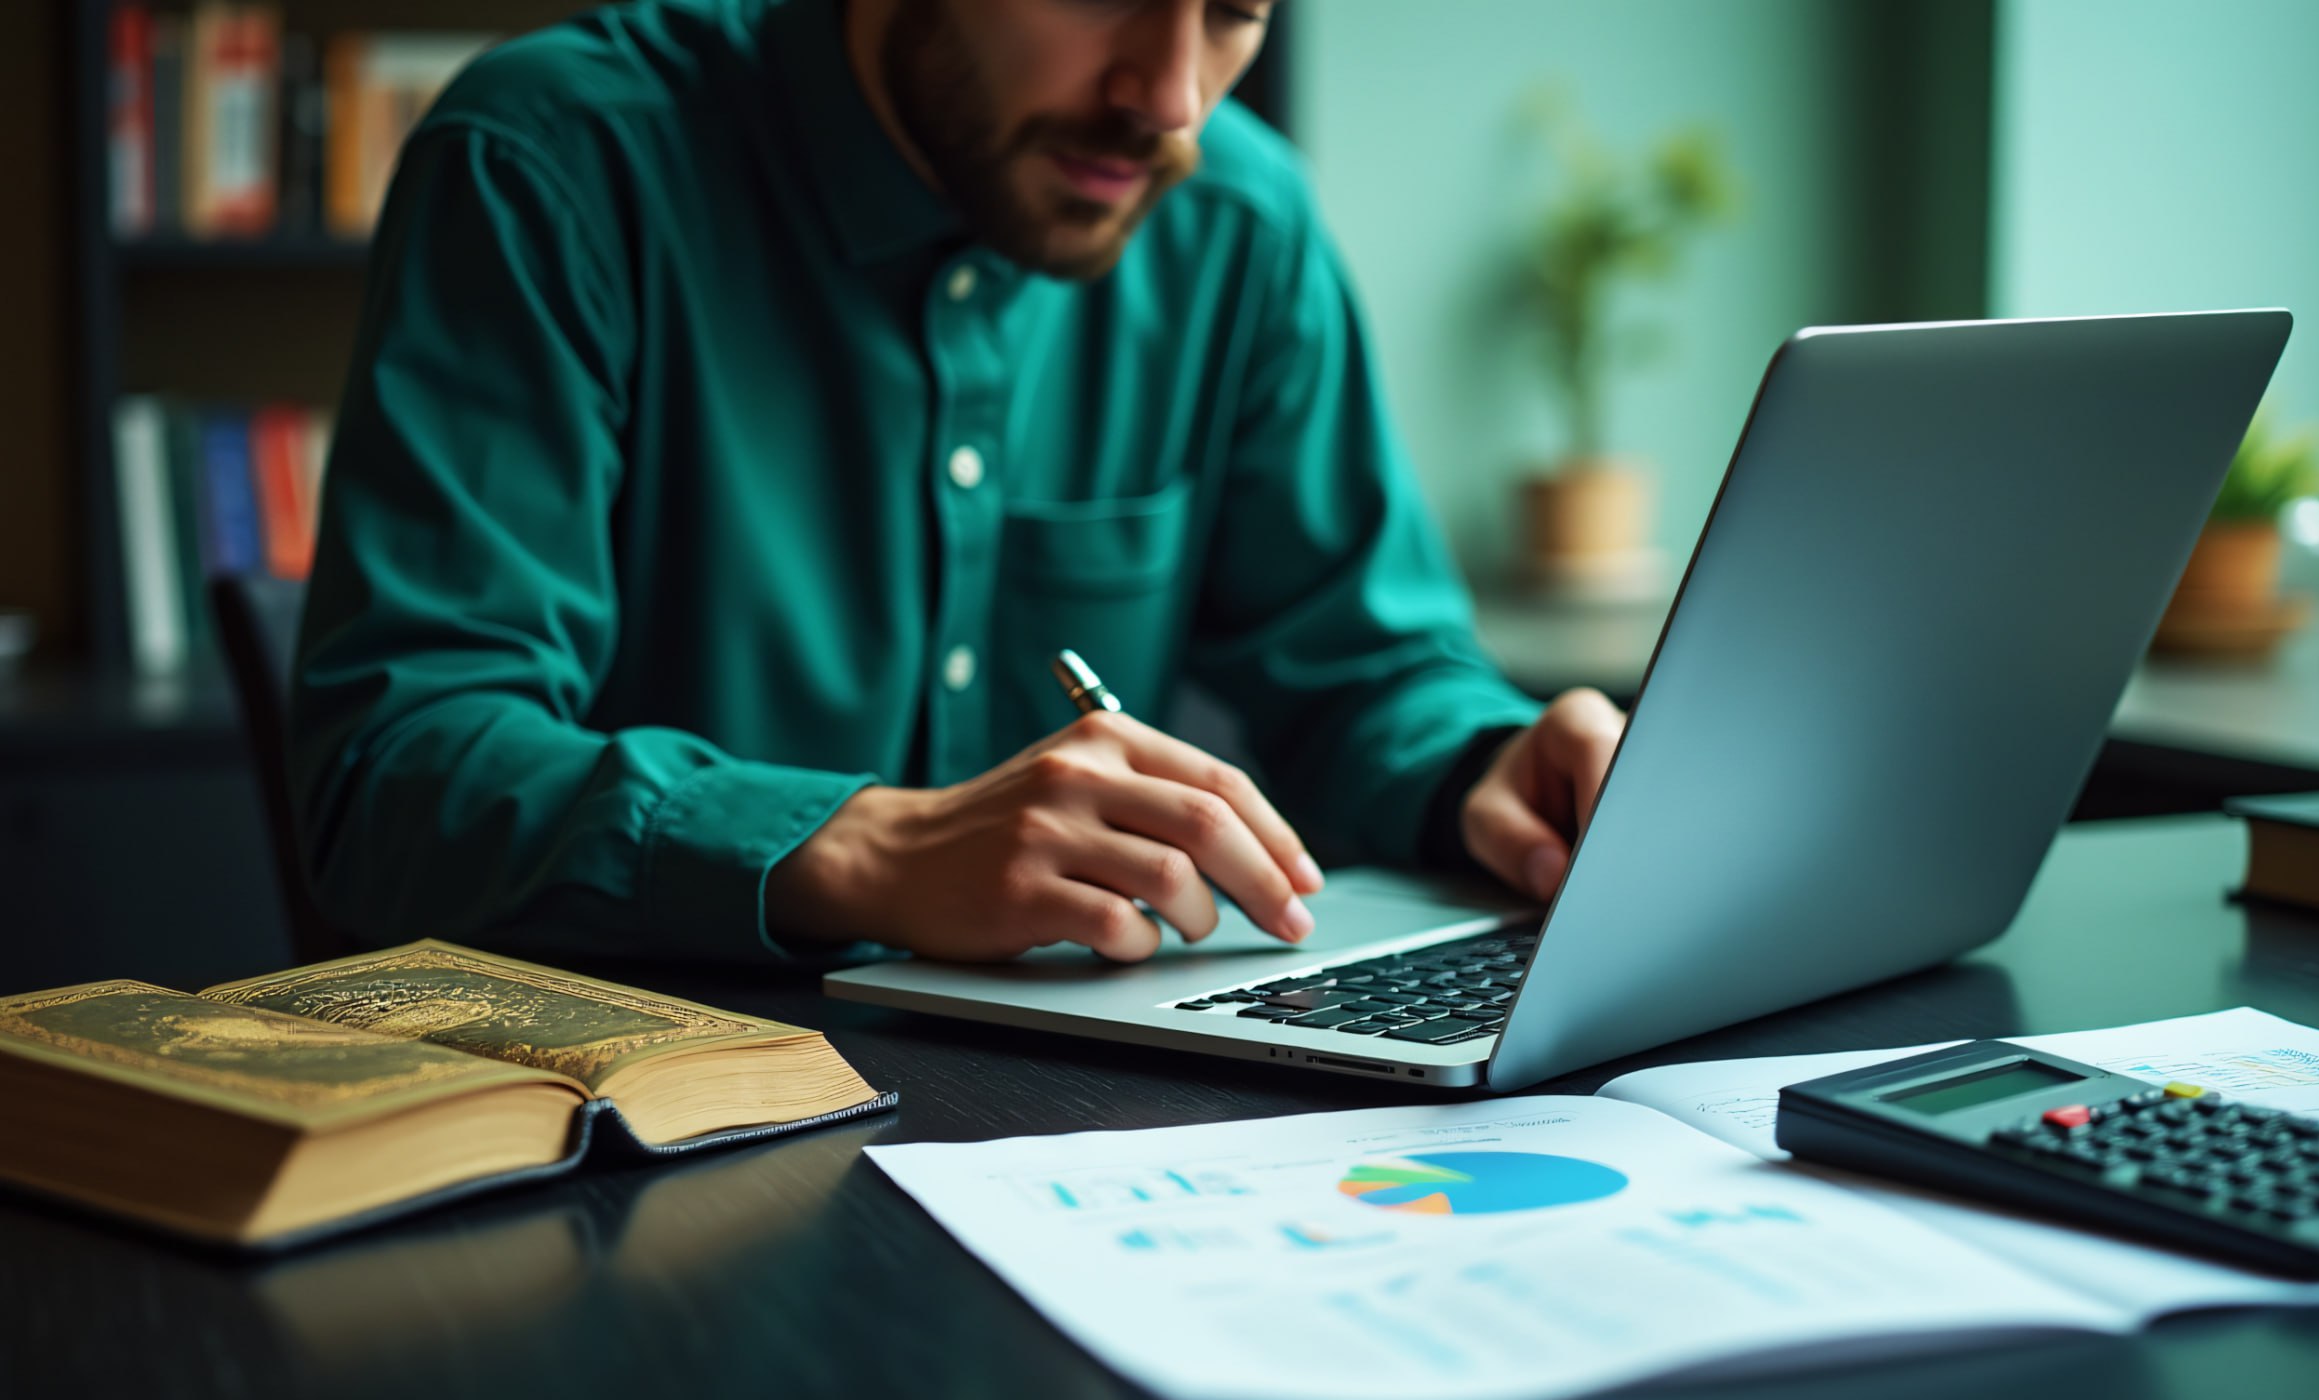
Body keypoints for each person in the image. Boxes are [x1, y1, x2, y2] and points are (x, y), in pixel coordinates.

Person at [289, 0, 1628, 966]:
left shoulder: (1242, 223)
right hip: (641, 1159)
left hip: (1087, 1143)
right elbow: (399, 768)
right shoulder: (556, 165)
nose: (1169, 97)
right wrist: (867, 852)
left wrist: (1481, 765)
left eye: (1233, 12)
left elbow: (1364, 670)